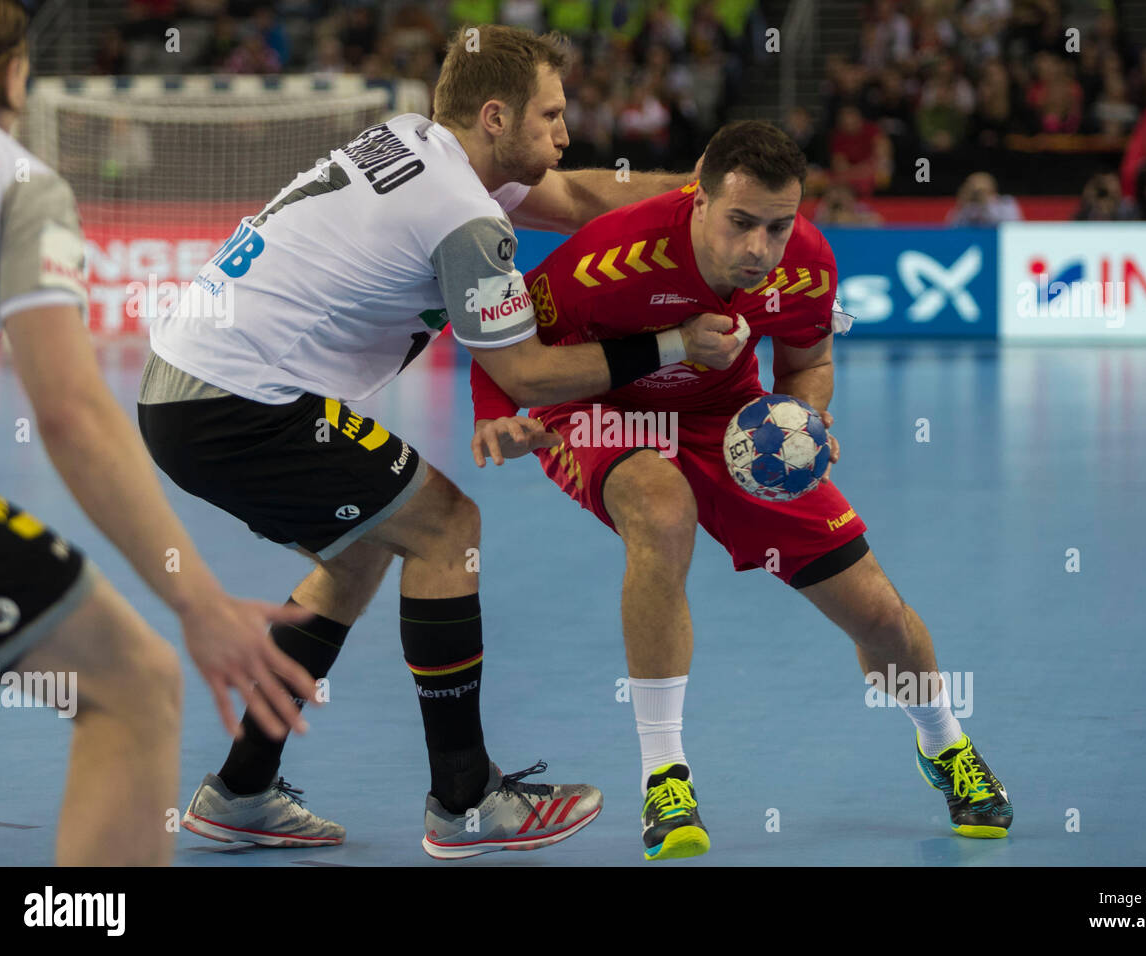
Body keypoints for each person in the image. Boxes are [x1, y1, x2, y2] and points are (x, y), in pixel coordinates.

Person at [136, 24, 745, 860]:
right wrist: (678, 347)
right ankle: (465, 800)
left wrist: (707, 192)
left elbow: (575, 198)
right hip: (238, 401)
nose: (566, 135)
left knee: (360, 551)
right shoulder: (462, 213)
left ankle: (242, 788)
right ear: (495, 116)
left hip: (191, 383)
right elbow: (529, 376)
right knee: (444, 527)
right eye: (551, 116)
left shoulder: (423, 145)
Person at [470, 120, 1013, 861]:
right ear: (698, 200)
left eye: (778, 226)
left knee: (879, 613)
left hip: (732, 424)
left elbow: (807, 359)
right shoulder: (615, 254)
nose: (760, 247)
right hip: (596, 410)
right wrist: (497, 413)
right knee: (663, 514)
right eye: (741, 223)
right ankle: (665, 775)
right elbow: (509, 326)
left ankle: (943, 742)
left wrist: (807, 417)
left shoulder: (808, 262)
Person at [0, 0, 316, 866]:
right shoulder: (18, 184)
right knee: (133, 684)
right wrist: (198, 603)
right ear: (18, 74)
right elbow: (70, 410)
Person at [947, 171, 1021, 226]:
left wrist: (986, 205)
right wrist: (962, 204)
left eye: (981, 190)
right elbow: (953, 227)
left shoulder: (1006, 202)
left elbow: (1013, 226)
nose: (977, 194)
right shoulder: (968, 207)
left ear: (991, 188)